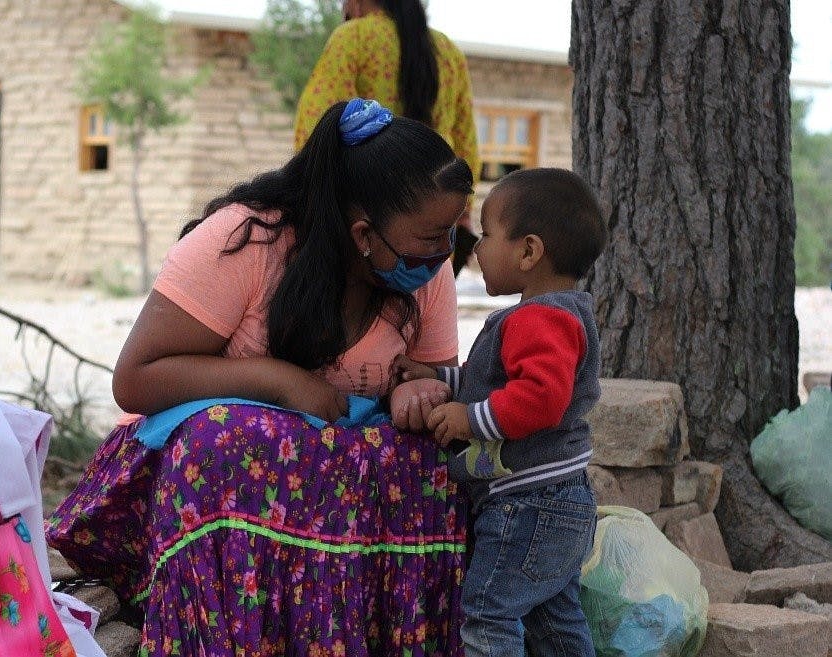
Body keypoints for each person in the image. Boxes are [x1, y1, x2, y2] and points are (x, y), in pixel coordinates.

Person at [46, 99, 473, 657]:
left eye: (451, 235)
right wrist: (277, 382)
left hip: (335, 466)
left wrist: (420, 389)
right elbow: (136, 379)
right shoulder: (247, 239)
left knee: (440, 463)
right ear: (364, 234)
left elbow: (431, 377)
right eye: (434, 236)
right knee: (224, 441)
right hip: (210, 469)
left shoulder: (426, 273)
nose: (446, 253)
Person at [394, 168, 607, 656]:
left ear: (529, 252)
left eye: (488, 235)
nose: (478, 247)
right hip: (556, 502)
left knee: (488, 613)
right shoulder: (554, 313)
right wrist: (434, 376)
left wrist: (469, 420)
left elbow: (540, 398)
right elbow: (491, 381)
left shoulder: (541, 318)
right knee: (553, 623)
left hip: (531, 503)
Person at [294, 0, 481, 276]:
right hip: (433, 238)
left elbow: (316, 129)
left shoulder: (354, 38)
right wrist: (461, 213)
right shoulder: (449, 53)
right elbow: (467, 146)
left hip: (365, 228)